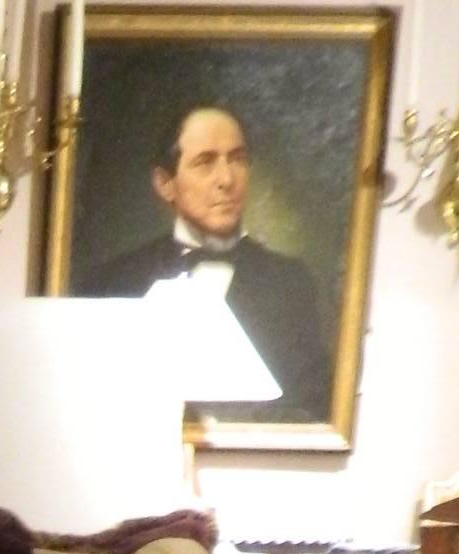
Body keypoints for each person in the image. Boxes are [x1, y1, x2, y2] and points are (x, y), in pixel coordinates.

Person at [88, 105, 331, 422]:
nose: (226, 179)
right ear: (165, 183)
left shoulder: (291, 283)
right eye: (205, 162)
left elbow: (311, 403)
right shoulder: (117, 281)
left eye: (237, 159)